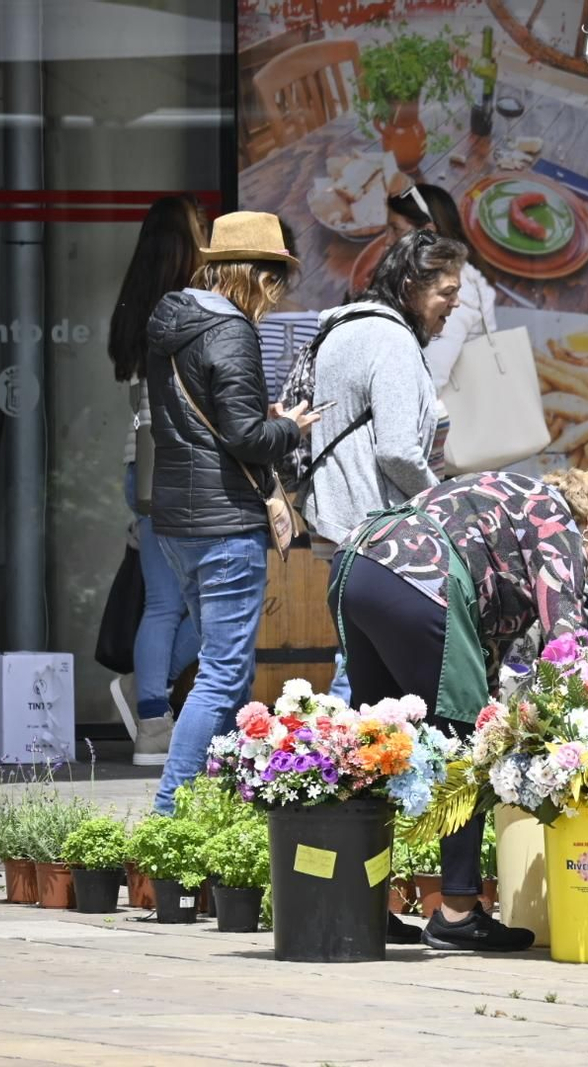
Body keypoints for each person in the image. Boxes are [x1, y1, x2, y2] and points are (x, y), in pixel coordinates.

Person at [331, 464, 588, 950]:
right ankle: (459, 912)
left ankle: (360, 903)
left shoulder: (508, 495)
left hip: (356, 563)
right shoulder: (558, 522)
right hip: (421, 579)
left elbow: (485, 635)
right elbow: (564, 645)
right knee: (466, 741)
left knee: (376, 747)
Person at [144, 211, 319, 813]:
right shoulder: (232, 331)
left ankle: (215, 806)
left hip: (177, 520)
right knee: (222, 675)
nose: (277, 298)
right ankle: (170, 813)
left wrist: (256, 418)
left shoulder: (171, 321)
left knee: (225, 674)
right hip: (224, 523)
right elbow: (246, 437)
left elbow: (210, 422)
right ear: (258, 276)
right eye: (277, 282)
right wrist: (290, 427)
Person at [299, 229, 469, 701]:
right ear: (412, 285)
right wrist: (441, 507)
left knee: (357, 655)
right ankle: (331, 763)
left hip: (342, 519)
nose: (454, 305)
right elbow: (396, 450)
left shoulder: (347, 326)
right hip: (377, 530)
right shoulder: (390, 338)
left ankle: (337, 761)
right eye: (447, 292)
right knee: (364, 667)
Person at [106, 194, 207, 765]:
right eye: (201, 227)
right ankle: (148, 700)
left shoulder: (137, 304)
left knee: (168, 604)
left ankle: (150, 710)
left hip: (140, 466)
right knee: (202, 602)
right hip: (175, 464)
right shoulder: (184, 307)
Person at [386, 183, 499, 471]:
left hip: (444, 449)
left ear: (429, 232)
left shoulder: (454, 287)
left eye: (396, 230)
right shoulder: (446, 280)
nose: (388, 241)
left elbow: (433, 372)